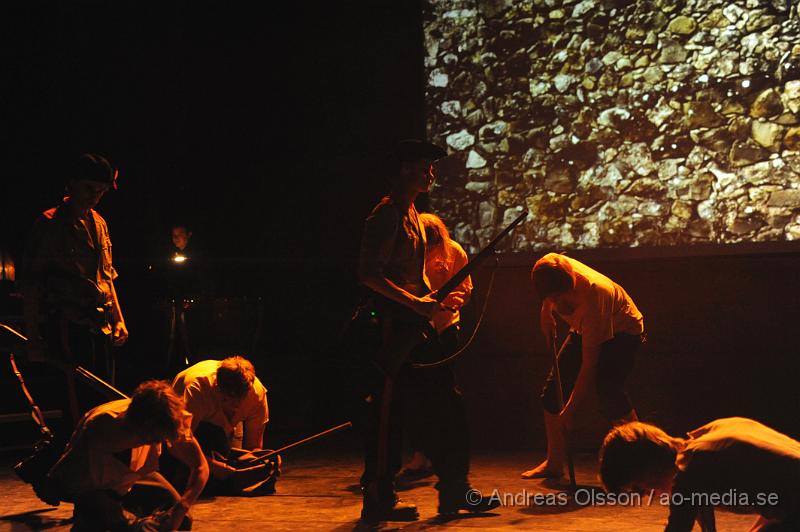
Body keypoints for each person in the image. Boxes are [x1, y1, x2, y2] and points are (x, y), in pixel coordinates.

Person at [356, 139, 498, 521]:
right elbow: (369, 275)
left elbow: (410, 277)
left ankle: (454, 490)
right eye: (425, 166)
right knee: (389, 417)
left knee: (444, 409)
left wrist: (427, 298)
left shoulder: (414, 215)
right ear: (406, 170)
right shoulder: (386, 215)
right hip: (393, 330)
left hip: (414, 329)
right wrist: (415, 303)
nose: (431, 173)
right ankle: (381, 498)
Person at [20, 153, 129, 428]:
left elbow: (108, 277)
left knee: (104, 402)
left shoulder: (100, 223)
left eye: (102, 191)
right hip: (69, 326)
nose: (95, 196)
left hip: (100, 326)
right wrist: (33, 337)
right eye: (90, 188)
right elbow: (31, 284)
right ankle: (74, 466)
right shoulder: (50, 224)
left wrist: (119, 318)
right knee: (77, 408)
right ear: (72, 184)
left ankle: (100, 467)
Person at [522, 252, 644, 479]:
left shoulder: (595, 298)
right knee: (551, 395)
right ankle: (554, 463)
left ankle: (642, 459)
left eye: (560, 298)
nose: (558, 304)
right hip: (582, 329)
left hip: (623, 332)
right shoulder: (552, 265)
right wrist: (545, 312)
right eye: (552, 298)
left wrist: (569, 412)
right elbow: (548, 293)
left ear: (571, 285)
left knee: (609, 392)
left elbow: (588, 366)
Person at [44, 380, 209, 531]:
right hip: (92, 486)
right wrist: (134, 522)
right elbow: (76, 484)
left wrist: (181, 507)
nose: (159, 442)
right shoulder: (103, 430)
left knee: (182, 520)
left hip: (135, 476)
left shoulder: (168, 417)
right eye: (156, 438)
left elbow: (200, 466)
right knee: (139, 529)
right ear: (142, 428)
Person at [599, 418, 800, 531]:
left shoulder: (692, 471)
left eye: (640, 488)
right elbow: (779, 485)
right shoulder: (712, 436)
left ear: (649, 470)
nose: (650, 495)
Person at [396, 212, 472, 482]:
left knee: (444, 392)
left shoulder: (454, 252)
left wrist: (453, 299)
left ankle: (444, 461)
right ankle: (420, 455)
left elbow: (466, 288)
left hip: (446, 327)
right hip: (416, 330)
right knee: (416, 394)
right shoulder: (411, 253)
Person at [168, 356, 277, 495]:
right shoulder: (197, 389)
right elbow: (178, 444)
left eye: (240, 400)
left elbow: (253, 446)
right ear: (217, 388)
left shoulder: (257, 394)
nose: (235, 407)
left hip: (228, 428)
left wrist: (253, 463)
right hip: (189, 429)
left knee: (235, 471)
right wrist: (213, 466)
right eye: (229, 400)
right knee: (189, 476)